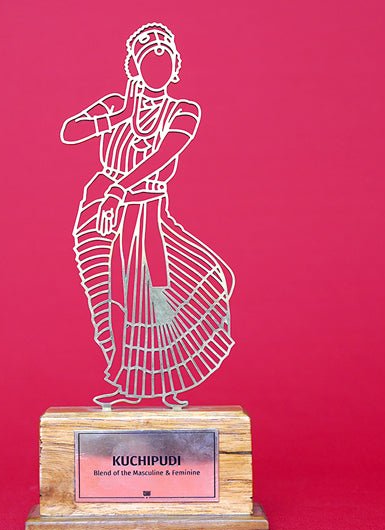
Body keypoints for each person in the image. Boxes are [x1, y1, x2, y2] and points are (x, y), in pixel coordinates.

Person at [61, 23, 235, 410]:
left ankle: (167, 381)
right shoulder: (116, 106)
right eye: (148, 60)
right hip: (102, 212)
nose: (157, 67)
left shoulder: (183, 111)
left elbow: (163, 154)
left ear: (175, 67)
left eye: (164, 59)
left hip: (147, 212)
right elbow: (70, 132)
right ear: (134, 66)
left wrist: (120, 190)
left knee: (159, 295)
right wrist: (118, 114)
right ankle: (125, 380)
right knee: (110, 294)